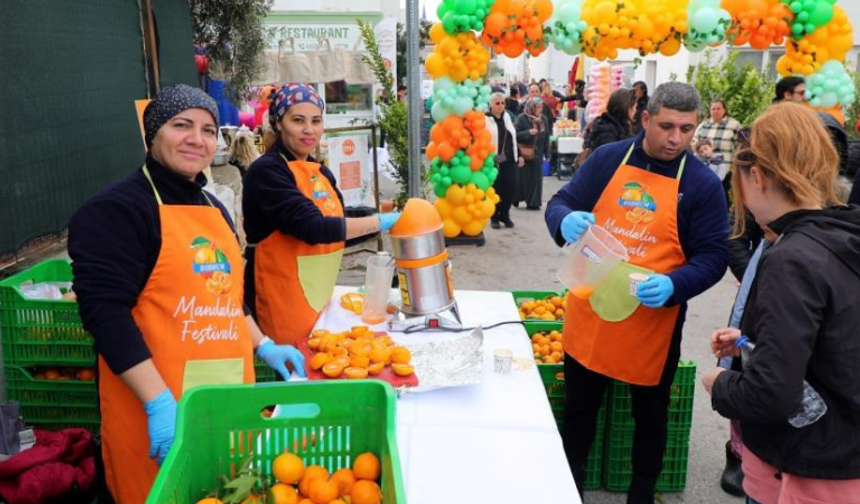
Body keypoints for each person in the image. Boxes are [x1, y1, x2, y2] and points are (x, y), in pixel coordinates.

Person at [68, 85, 306, 504]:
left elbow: (228, 295)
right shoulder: (116, 210)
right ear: (153, 133)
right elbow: (104, 314)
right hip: (157, 407)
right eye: (182, 126)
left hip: (225, 401)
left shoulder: (214, 208)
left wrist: (264, 344)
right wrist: (157, 402)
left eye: (208, 129)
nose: (197, 139)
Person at [545, 82, 729, 503]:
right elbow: (560, 200)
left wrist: (675, 285)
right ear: (645, 119)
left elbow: (713, 256)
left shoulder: (701, 185)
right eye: (666, 126)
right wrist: (563, 220)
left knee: (650, 418)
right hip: (590, 313)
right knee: (578, 413)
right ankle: (565, 487)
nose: (676, 139)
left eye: (686, 129)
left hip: (653, 324)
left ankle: (642, 493)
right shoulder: (610, 159)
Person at [704, 102, 860, 504]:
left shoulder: (791, 257)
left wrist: (720, 384)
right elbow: (838, 341)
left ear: (756, 175)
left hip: (803, 468)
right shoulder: (841, 235)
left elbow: (772, 395)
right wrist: (755, 342)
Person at [243, 83, 400, 347]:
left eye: (316, 121)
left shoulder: (320, 171)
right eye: (298, 120)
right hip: (278, 294)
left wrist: (381, 215)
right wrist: (380, 222)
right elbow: (314, 228)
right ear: (278, 123)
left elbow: (335, 224)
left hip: (317, 296)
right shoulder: (266, 172)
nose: (309, 129)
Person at [486, 92, 524, 229]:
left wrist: (519, 155)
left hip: (509, 158)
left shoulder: (507, 117)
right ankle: (494, 216)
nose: (501, 106)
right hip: (494, 160)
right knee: (496, 189)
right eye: (497, 103)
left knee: (511, 187)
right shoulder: (486, 120)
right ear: (490, 105)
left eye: (502, 103)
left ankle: (505, 214)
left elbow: (513, 138)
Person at [515, 97, 550, 210]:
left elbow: (546, 137)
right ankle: (517, 198)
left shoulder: (543, 119)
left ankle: (534, 202)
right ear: (531, 107)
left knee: (536, 178)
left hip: (538, 153)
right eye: (538, 107)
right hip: (525, 152)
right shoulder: (522, 118)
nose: (540, 109)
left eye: (541, 107)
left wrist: (547, 153)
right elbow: (514, 134)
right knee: (523, 178)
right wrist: (528, 132)